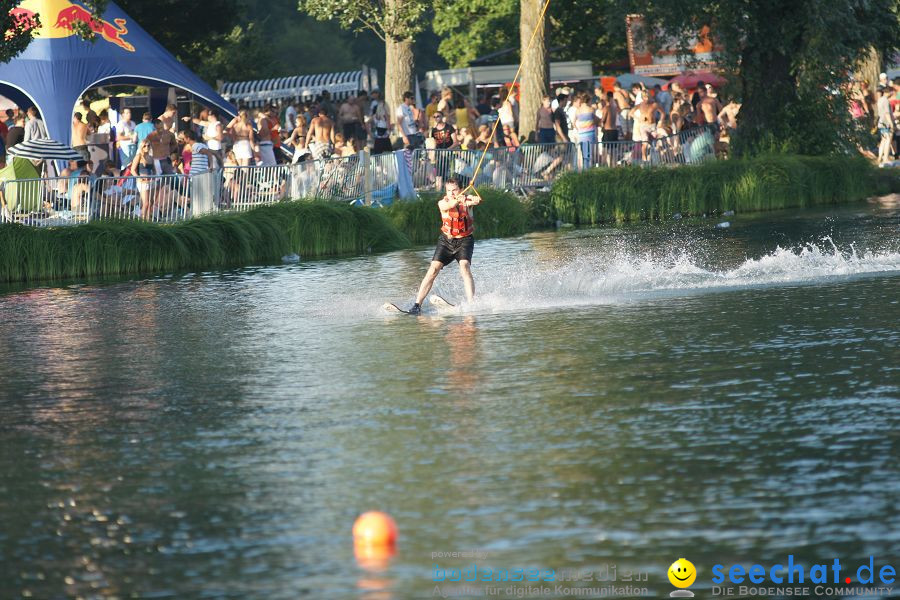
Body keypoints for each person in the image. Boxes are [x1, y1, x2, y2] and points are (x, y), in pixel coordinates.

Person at [409, 178, 482, 314]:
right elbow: (448, 206)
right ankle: (417, 305)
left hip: (464, 241)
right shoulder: (442, 203)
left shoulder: (467, 202)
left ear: (460, 189)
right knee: (433, 270)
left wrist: (474, 199)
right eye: (448, 191)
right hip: (446, 242)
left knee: (464, 266)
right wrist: (458, 200)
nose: (451, 193)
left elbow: (478, 200)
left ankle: (471, 304)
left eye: (454, 190)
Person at [876, 86, 895, 165]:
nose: (893, 93)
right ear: (889, 92)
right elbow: (887, 113)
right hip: (886, 123)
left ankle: (880, 158)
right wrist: (891, 123)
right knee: (887, 140)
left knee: (883, 140)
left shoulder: (880, 100)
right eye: (892, 92)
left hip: (881, 122)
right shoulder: (886, 101)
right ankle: (885, 158)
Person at [370, 90, 392, 155]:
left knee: (384, 148)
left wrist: (388, 127)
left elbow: (387, 116)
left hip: (383, 128)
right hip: (379, 128)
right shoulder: (377, 105)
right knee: (379, 148)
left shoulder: (384, 105)